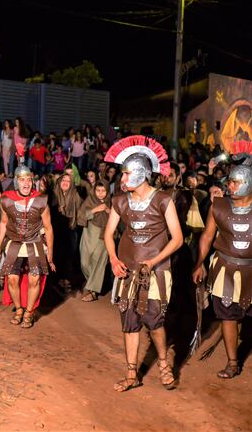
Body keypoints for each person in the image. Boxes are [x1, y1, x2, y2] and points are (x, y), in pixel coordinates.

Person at [103, 136, 183, 392]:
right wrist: (114, 259)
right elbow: (108, 234)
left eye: (126, 174)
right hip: (127, 270)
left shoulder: (163, 200)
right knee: (129, 321)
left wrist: (154, 260)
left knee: (154, 321)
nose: (122, 179)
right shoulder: (120, 200)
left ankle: (163, 365)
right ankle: (131, 373)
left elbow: (178, 239)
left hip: (156, 272)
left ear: (140, 174)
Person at [192, 150, 252, 379]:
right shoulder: (217, 206)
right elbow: (207, 237)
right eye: (230, 182)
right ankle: (233, 362)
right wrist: (199, 263)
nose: (230, 186)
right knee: (228, 315)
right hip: (225, 269)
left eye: (235, 183)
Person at [0, 165, 55, 328]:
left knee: (34, 279)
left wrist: (50, 252)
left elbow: (48, 228)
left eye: (29, 180)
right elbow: (4, 223)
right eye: (22, 180)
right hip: (14, 243)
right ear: (16, 182)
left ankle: (29, 312)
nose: (26, 183)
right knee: (12, 279)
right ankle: (19, 309)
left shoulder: (41, 200)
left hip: (35, 243)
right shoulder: (6, 199)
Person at [78, 181, 111, 302]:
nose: (101, 194)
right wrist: (95, 210)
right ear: (94, 190)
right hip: (89, 233)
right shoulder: (89, 200)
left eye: (103, 191)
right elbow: (80, 216)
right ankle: (92, 283)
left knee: (98, 263)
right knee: (84, 262)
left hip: (103, 236)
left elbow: (118, 219)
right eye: (98, 190)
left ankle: (93, 292)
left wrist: (110, 212)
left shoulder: (111, 202)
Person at [51, 173, 82, 289]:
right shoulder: (53, 195)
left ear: (72, 184)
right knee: (57, 255)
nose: (65, 182)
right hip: (56, 230)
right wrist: (56, 210)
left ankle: (68, 278)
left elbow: (81, 213)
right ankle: (57, 279)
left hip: (70, 230)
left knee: (70, 255)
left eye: (68, 181)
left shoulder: (76, 196)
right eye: (63, 180)